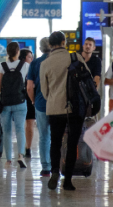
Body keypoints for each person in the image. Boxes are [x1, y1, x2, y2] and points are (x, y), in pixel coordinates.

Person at [41, 31, 89, 191]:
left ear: (50, 45)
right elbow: (87, 79)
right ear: (64, 42)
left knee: (55, 142)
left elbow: (44, 90)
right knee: (72, 143)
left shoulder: (45, 63)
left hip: (55, 108)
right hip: (75, 108)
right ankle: (67, 180)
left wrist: (54, 98)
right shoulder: (75, 57)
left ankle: (55, 170)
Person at [0, 41, 29, 169]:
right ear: (18, 51)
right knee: (20, 129)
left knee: (6, 131)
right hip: (20, 102)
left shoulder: (2, 66)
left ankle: (8, 160)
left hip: (5, 103)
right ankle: (21, 155)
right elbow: (29, 85)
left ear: (7, 52)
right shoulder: (25, 65)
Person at [27, 37, 52, 176]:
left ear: (41, 49)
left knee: (44, 136)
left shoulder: (35, 63)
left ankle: (46, 167)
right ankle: (57, 165)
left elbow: (29, 87)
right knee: (57, 135)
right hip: (58, 104)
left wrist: (33, 101)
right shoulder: (57, 62)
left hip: (41, 104)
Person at [20, 49, 36, 158]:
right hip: (29, 97)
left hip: (17, 98)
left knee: (19, 125)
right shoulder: (30, 67)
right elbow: (32, 85)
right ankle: (28, 148)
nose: (32, 59)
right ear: (25, 57)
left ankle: (20, 149)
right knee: (30, 124)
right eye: (30, 57)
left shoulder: (15, 66)